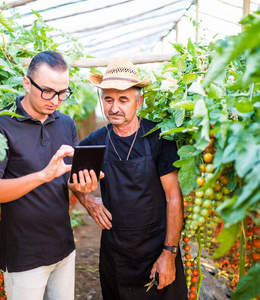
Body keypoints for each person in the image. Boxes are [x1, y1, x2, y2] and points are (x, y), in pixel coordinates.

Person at [0, 50, 99, 300]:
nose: (55, 100)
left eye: (63, 92)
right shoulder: (0, 125)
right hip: (24, 255)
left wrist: (84, 190)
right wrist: (43, 175)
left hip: (64, 247)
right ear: (26, 83)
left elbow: (67, 176)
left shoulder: (66, 124)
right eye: (48, 91)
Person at [76, 58, 188, 299]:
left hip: (157, 247)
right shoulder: (94, 142)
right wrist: (87, 199)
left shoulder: (158, 138)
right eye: (108, 99)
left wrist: (169, 254)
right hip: (116, 253)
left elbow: (173, 198)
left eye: (123, 99)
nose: (114, 107)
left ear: (139, 101)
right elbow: (70, 176)